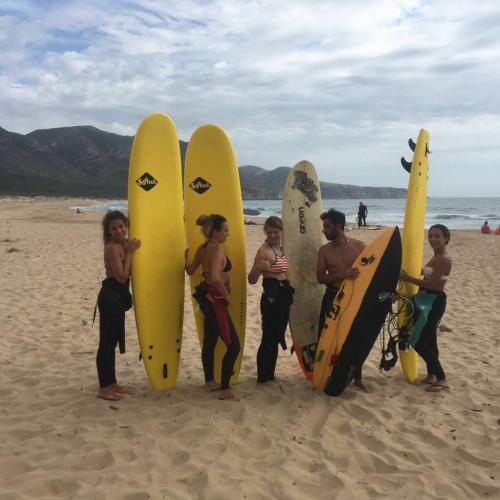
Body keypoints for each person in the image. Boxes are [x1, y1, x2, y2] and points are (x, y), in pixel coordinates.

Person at [185, 214, 240, 400]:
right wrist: (226, 295)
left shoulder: (203, 248)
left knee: (210, 341)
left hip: (206, 298)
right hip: (216, 300)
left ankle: (209, 381)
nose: (228, 233)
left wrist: (185, 258)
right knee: (233, 345)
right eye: (225, 230)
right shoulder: (216, 251)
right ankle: (224, 388)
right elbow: (216, 277)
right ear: (215, 232)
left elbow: (190, 270)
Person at [316, 209, 368, 391]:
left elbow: (372, 271)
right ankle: (325, 373)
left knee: (355, 337)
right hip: (332, 295)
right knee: (328, 335)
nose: (323, 230)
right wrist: (342, 274)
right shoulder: (324, 251)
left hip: (355, 298)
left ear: (338, 226)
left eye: (327, 226)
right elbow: (320, 278)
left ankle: (357, 377)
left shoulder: (359, 246)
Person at [399, 224, 452, 392]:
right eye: (430, 236)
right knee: (430, 340)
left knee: (419, 342)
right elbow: (429, 274)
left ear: (446, 238)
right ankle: (432, 375)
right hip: (426, 299)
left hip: (434, 300)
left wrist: (408, 278)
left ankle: (442, 379)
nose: (433, 239)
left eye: (437, 236)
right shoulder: (436, 256)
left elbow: (434, 284)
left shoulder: (444, 258)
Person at [96, 211, 140, 401]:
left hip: (118, 297)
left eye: (121, 226)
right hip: (110, 296)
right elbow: (122, 276)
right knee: (106, 343)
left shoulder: (124, 243)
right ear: (108, 231)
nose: (119, 231)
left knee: (112, 340)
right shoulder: (113, 248)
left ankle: (112, 382)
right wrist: (130, 252)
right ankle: (104, 387)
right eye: (114, 228)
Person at [248, 216, 294, 384]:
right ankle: (262, 376)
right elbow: (251, 279)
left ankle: (270, 374)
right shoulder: (263, 251)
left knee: (276, 335)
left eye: (276, 231)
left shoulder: (280, 248)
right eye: (269, 232)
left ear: (281, 231)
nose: (273, 235)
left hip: (283, 297)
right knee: (268, 336)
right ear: (265, 233)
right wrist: (259, 268)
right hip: (271, 298)